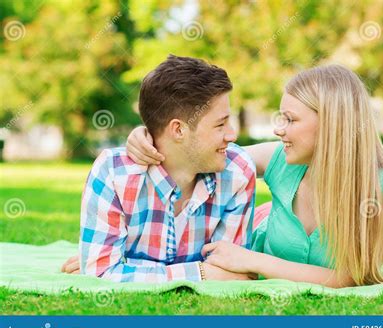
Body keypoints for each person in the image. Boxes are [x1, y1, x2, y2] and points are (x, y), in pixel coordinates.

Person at [126, 64, 383, 288]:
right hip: (253, 236)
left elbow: (350, 277)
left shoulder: (382, 188)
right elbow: (204, 151)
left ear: (333, 124)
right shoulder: (281, 160)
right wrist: (150, 136)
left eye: (291, 119)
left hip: (250, 256)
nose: (279, 129)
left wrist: (253, 261)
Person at [61, 55, 257, 282]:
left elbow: (233, 273)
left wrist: (126, 266)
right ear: (178, 130)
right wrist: (202, 272)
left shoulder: (237, 172)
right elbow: (101, 273)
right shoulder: (114, 173)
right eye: (220, 124)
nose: (232, 135)